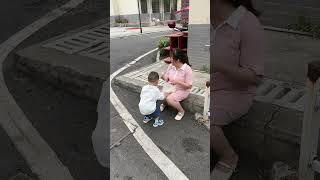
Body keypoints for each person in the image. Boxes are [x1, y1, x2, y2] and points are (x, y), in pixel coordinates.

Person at [211, 0, 264, 179]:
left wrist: (218, 65)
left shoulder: (247, 23)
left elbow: (254, 77)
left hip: (235, 92)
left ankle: (229, 157)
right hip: (208, 85)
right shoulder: (203, 21)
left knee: (204, 118)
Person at [161, 48, 193, 120]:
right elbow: (167, 78)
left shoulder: (187, 69)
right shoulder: (171, 66)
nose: (170, 59)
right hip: (171, 87)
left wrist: (178, 82)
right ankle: (164, 104)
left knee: (169, 98)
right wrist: (164, 77)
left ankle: (181, 111)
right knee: (163, 94)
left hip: (182, 90)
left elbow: (189, 86)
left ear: (178, 60)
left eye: (172, 58)